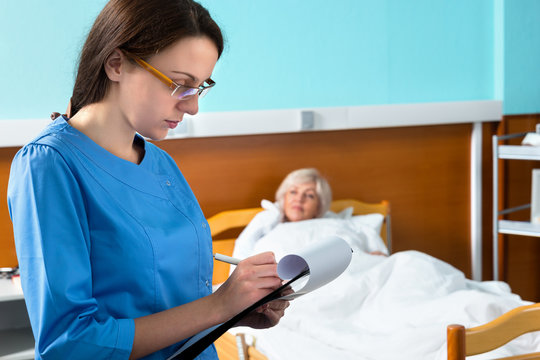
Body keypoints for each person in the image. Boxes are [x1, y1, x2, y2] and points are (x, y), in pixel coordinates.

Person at [7, 1, 288, 359]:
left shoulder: (162, 164)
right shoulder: (49, 166)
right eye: (180, 84)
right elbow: (70, 343)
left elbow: (173, 306)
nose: (192, 106)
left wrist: (235, 312)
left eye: (200, 87)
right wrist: (219, 306)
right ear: (116, 64)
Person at [232, 168, 387, 261]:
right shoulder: (267, 225)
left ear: (319, 206)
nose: (299, 199)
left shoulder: (338, 225)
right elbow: (242, 254)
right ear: (283, 198)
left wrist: (366, 257)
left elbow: (360, 250)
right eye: (293, 192)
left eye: (310, 195)